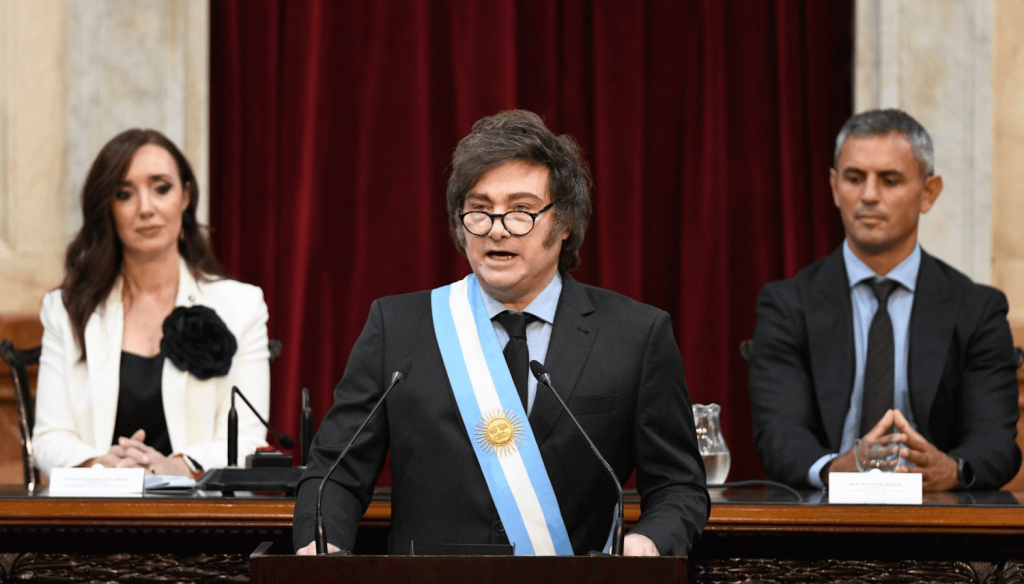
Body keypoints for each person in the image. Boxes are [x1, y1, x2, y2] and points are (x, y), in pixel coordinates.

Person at [293, 110, 709, 556]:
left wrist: (649, 541)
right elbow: (334, 473)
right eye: (479, 210)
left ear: (565, 222)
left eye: (521, 211)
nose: (496, 229)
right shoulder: (397, 327)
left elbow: (678, 486)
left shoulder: (636, 335)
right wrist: (321, 547)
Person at [749, 109, 1021, 492]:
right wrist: (833, 469)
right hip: (823, 512)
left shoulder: (977, 309)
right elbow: (778, 432)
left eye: (889, 180)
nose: (869, 196)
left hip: (938, 512)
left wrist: (951, 469)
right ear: (834, 187)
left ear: (929, 192)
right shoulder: (787, 305)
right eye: (854, 178)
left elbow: (995, 441)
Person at [34, 129, 271, 477]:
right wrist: (103, 464)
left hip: (201, 506)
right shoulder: (66, 309)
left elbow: (249, 440)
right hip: (97, 503)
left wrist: (175, 466)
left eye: (161, 188)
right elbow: (48, 438)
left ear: (186, 196)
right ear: (107, 207)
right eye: (124, 194)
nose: (146, 208)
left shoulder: (242, 305)